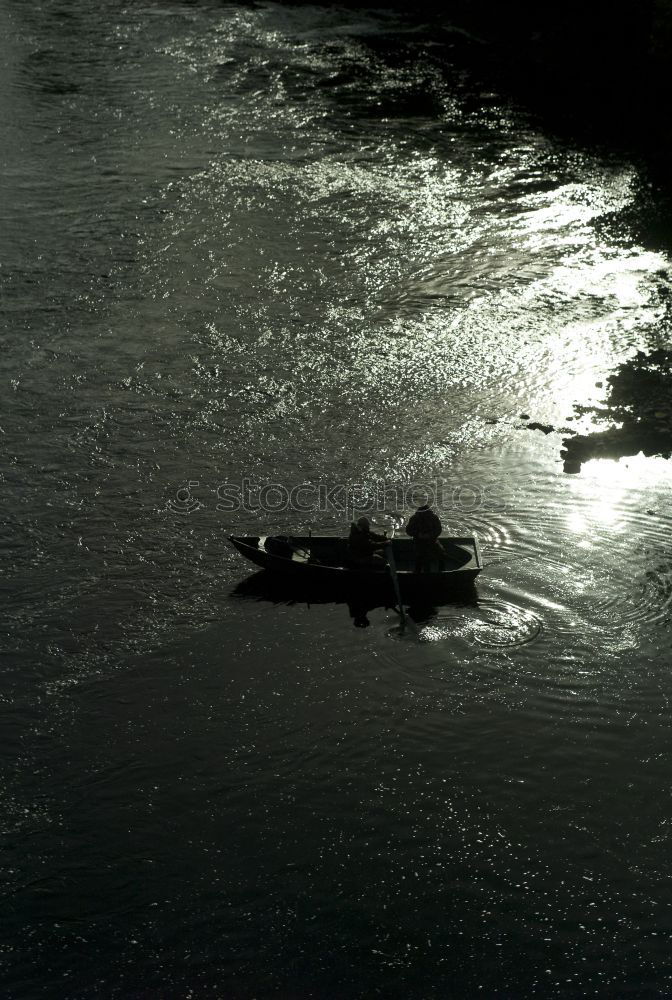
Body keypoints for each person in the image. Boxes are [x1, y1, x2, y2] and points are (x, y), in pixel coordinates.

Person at [405, 502, 445, 573]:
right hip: (418, 542)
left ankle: (442, 571)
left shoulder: (434, 518)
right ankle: (418, 573)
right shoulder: (414, 518)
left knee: (441, 552)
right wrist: (418, 534)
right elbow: (408, 530)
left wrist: (430, 535)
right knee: (422, 558)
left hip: (432, 541)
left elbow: (438, 530)